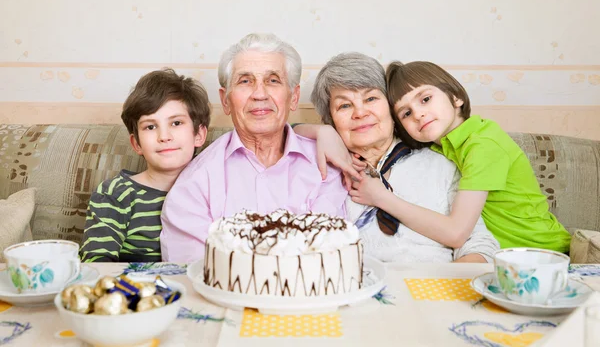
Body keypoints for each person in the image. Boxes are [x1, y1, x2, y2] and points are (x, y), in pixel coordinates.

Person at [160, 33, 348, 263]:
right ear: (226, 100)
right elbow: (193, 274)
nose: (259, 94)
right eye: (245, 81)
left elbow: (330, 258)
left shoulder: (327, 167)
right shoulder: (196, 183)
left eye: (273, 80)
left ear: (294, 97)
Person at [296, 52, 499, 263]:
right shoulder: (320, 170)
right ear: (331, 120)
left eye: (371, 98)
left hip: (436, 285)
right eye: (344, 106)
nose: (360, 113)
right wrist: (319, 131)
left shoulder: (441, 164)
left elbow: (479, 244)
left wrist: (443, 290)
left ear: (392, 110)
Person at [375, 60, 571, 252]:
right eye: (406, 113)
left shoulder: (483, 144)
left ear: (455, 97)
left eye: (425, 99)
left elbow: (456, 233)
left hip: (541, 253)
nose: (418, 114)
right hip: (495, 258)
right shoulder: (437, 150)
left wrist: (380, 197)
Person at [79, 69, 211, 262]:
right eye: (150, 126)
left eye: (176, 123)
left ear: (198, 134)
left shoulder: (212, 190)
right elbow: (96, 264)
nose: (164, 136)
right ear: (137, 144)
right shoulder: (115, 194)